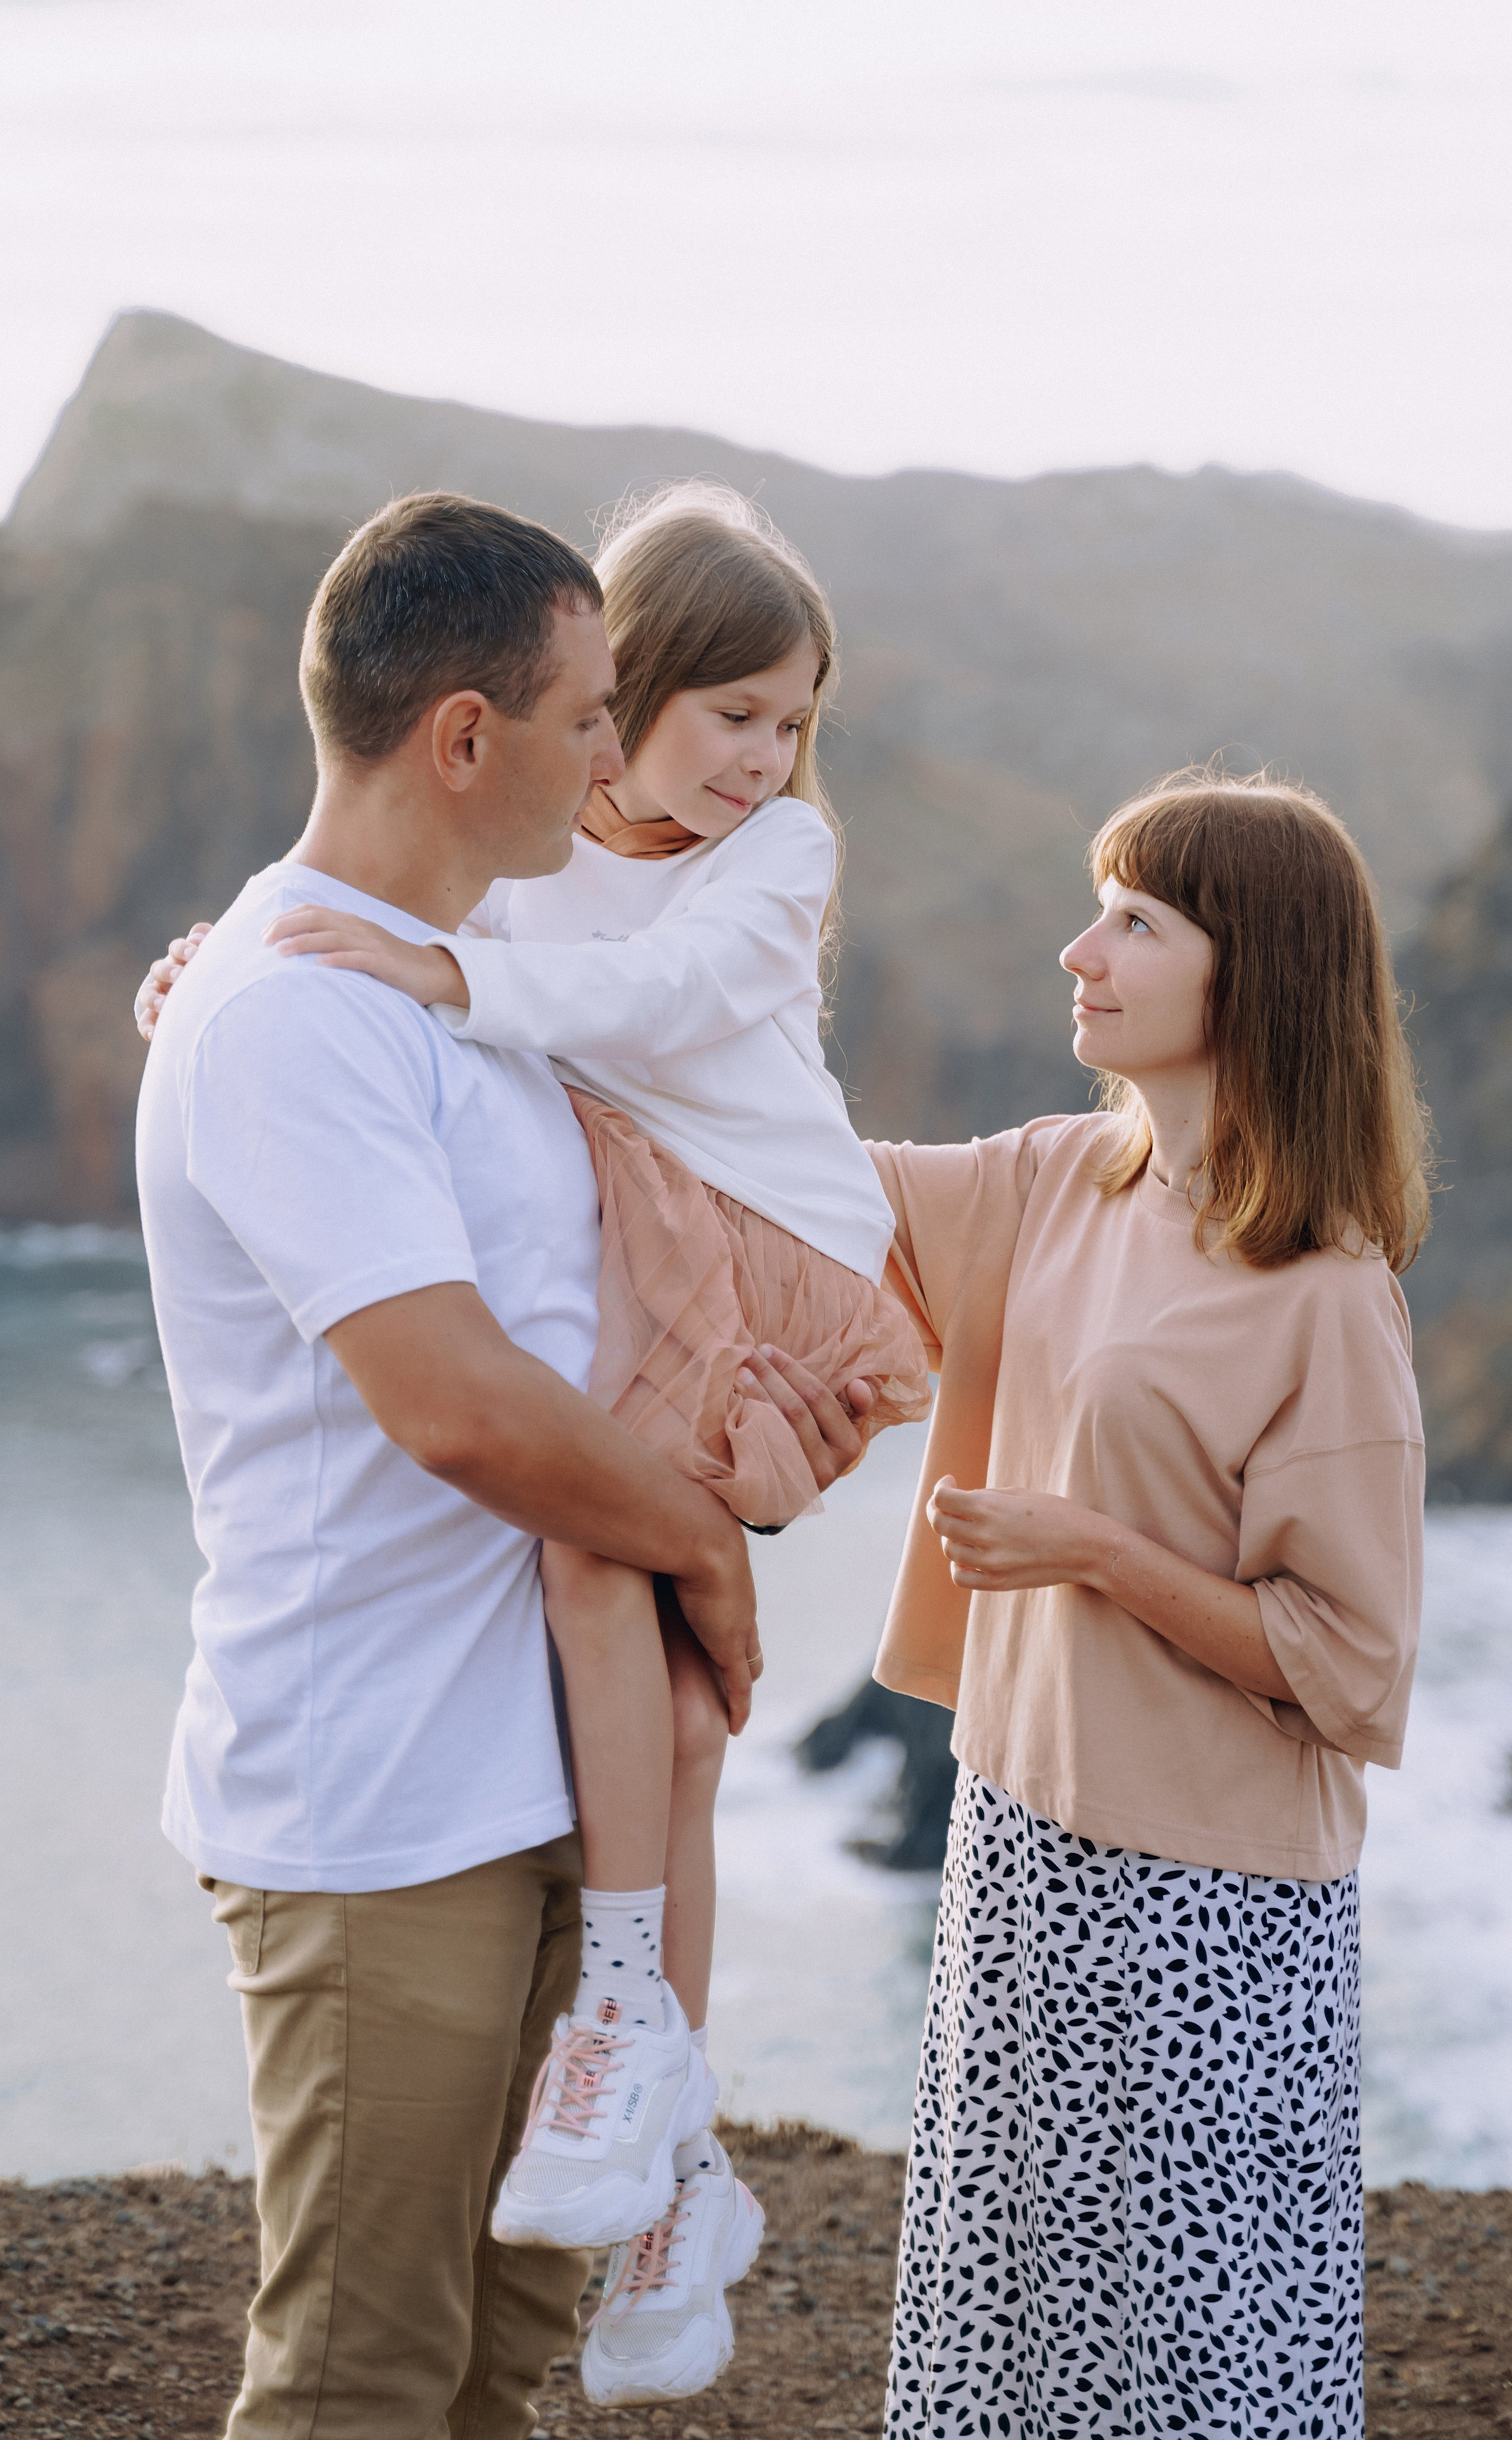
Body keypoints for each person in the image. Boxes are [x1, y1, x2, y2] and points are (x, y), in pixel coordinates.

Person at [135, 482, 926, 2411]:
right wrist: (709, 1544)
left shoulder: (469, 986)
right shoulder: (303, 1016)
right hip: (380, 1803)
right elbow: (466, 1404)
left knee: (504, 2361)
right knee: (366, 2371)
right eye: (595, 714)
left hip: (541, 1785)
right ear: (465, 736)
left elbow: (672, 1176)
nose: (621, 753)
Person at [867, 772, 1429, 2439]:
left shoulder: (1328, 1296)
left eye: (1133, 918)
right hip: (1019, 1844)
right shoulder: (1054, 1182)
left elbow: (1349, 1662)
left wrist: (1093, 1549)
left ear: (1242, 968)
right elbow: (777, 1185)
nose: (1080, 948)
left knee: (1199, 2371)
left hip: (1210, 1914)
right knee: (1002, 2344)